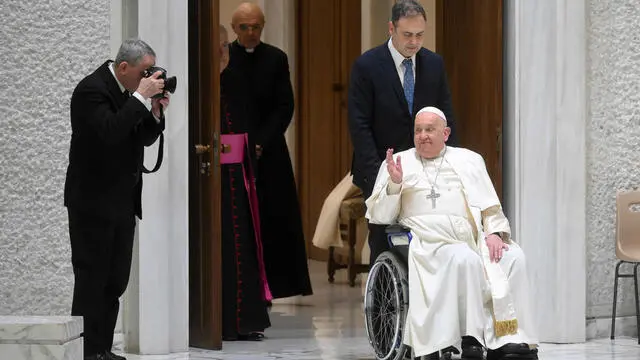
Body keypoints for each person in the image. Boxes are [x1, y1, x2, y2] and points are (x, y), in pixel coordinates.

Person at [365, 107, 539, 360]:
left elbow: (490, 206)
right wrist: (395, 184)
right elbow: (381, 216)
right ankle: (472, 338)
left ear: (445, 133)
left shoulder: (469, 160)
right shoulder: (398, 162)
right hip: (427, 242)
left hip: (472, 238)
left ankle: (510, 337)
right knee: (464, 258)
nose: (423, 135)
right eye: (418, 130)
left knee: (513, 257)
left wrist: (494, 233)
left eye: (429, 130)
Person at [64, 39, 169, 360]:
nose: (148, 78)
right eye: (143, 72)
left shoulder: (128, 94)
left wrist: (154, 112)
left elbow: (141, 137)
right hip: (92, 204)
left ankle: (102, 350)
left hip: (122, 201)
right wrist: (139, 98)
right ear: (123, 68)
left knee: (114, 282)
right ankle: (86, 352)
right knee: (91, 280)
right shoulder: (90, 91)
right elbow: (109, 132)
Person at [348, 0, 457, 266]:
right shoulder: (368, 66)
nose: (414, 42)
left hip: (425, 168)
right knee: (383, 239)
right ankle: (381, 304)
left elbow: (446, 116)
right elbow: (359, 125)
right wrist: (380, 177)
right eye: (407, 35)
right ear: (391, 29)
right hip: (379, 167)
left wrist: (449, 163)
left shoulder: (433, 64)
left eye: (420, 35)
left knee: (425, 237)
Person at [221, 2, 313, 299]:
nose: (250, 33)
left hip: (269, 150)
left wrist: (261, 141)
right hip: (234, 148)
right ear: (234, 29)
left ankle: (276, 286)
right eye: (244, 27)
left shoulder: (276, 58)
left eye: (256, 26)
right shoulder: (226, 58)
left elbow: (284, 106)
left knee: (275, 217)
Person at [219, 24, 272, 341]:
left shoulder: (236, 79)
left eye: (226, 46)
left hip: (238, 174)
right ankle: (221, 322)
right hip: (212, 178)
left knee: (243, 242)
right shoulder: (198, 83)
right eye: (217, 47)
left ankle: (242, 321)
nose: (222, 53)